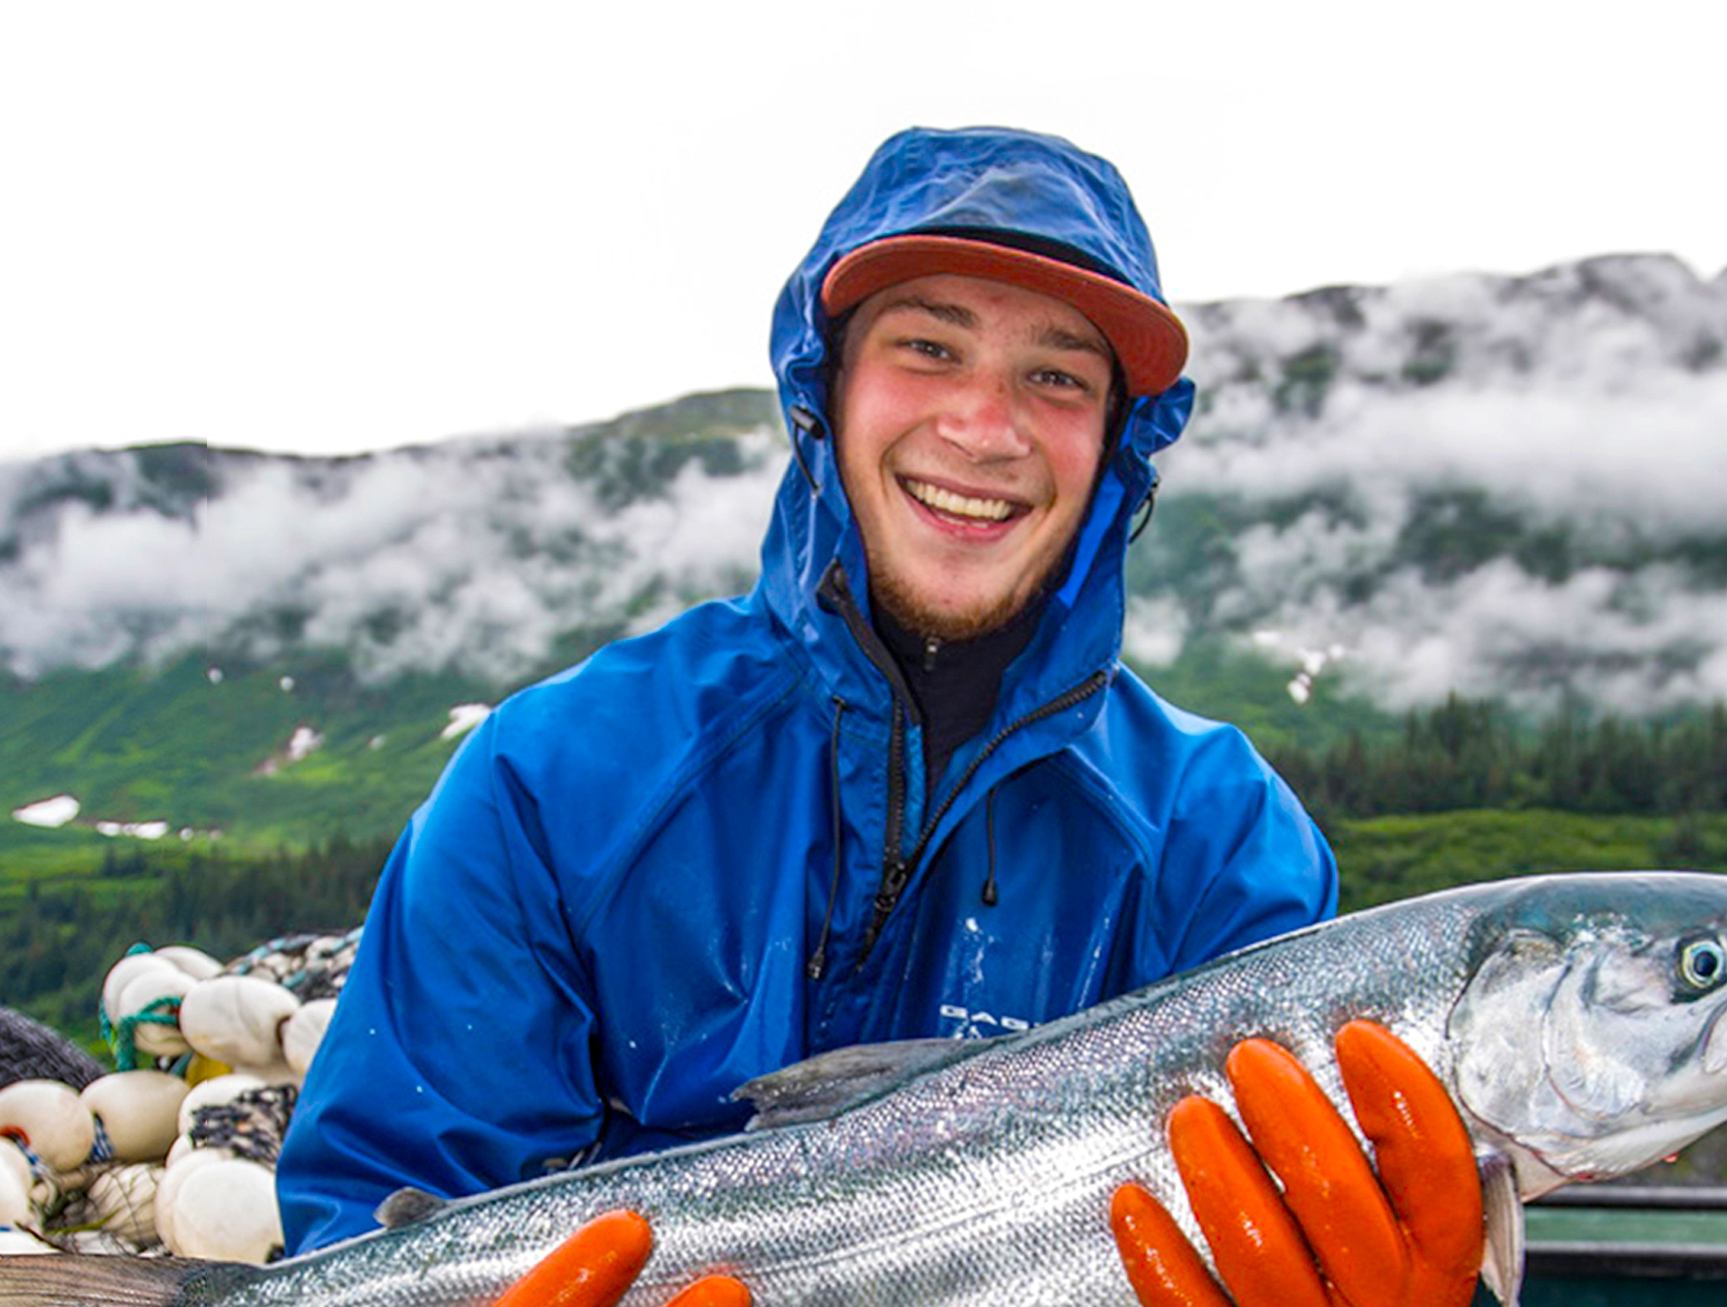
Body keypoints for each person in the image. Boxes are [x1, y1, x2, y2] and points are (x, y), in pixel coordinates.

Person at [277, 126, 1482, 1306]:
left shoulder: (1221, 841)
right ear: (825, 387)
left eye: (1056, 375)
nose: (983, 426)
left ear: (1117, 442)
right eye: (927, 347)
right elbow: (383, 1198)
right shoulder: (553, 778)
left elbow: (1335, 1183)